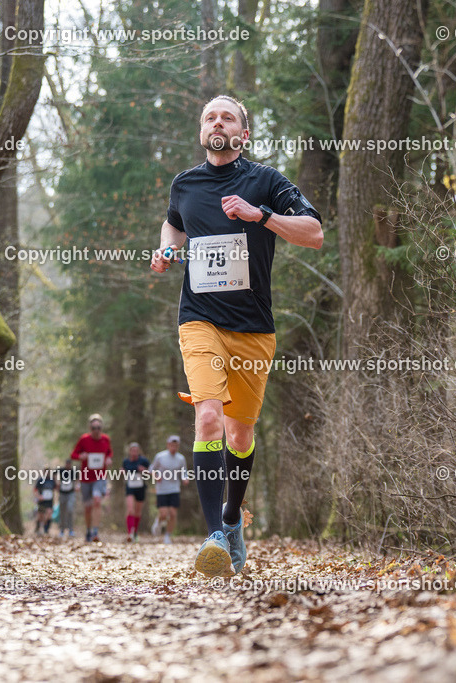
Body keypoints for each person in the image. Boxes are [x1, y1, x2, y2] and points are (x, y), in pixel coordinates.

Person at [150, 95, 322, 577]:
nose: (217, 122)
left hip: (252, 330)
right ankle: (217, 538)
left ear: (243, 134)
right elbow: (173, 223)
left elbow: (314, 232)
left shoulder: (266, 181)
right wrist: (167, 250)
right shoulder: (185, 184)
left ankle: (231, 517)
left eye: (227, 117)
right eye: (210, 117)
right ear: (201, 131)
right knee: (207, 418)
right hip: (199, 319)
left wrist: (260, 216)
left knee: (239, 432)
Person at [70, 413, 113, 542]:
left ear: (101, 428)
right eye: (93, 427)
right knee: (88, 507)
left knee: (97, 500)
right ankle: (88, 530)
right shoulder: (84, 439)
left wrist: (108, 459)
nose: (96, 430)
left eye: (98, 427)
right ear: (90, 428)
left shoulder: (106, 439)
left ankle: (95, 531)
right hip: (85, 477)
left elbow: (109, 452)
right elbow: (73, 454)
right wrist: (80, 456)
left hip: (100, 476)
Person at [149, 435, 189, 544]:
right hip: (162, 489)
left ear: (178, 446)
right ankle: (158, 521)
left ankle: (167, 535)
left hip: (175, 488)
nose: (174, 447)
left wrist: (185, 478)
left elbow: (184, 471)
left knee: (172, 514)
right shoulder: (160, 456)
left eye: (176, 445)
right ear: (168, 445)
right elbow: (151, 469)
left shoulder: (181, 458)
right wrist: (156, 476)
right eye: (172, 445)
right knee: (163, 514)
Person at [121, 442, 150, 542]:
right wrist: (122, 471)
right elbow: (123, 471)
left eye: (136, 451)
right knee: (130, 510)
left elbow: (149, 472)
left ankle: (135, 532)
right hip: (130, 487)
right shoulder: (126, 461)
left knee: (137, 512)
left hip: (140, 487)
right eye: (132, 450)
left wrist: (144, 470)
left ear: (139, 451)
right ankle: (130, 533)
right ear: (129, 451)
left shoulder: (143, 460)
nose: (134, 452)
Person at [57, 459, 77, 537]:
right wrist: (57, 482)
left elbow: (77, 480)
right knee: (62, 511)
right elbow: (54, 474)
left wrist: (76, 486)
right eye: (67, 464)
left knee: (70, 509)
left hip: (70, 493)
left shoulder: (73, 472)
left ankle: (71, 529)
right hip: (62, 493)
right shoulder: (61, 470)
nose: (68, 465)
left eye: (69, 464)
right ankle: (62, 529)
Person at [33, 469, 56, 535]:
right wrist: (38, 496)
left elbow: (56, 488)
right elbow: (35, 490)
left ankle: (46, 529)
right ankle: (38, 527)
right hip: (42, 501)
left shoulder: (52, 480)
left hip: (49, 501)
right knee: (40, 516)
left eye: (48, 471)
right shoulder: (40, 480)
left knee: (49, 514)